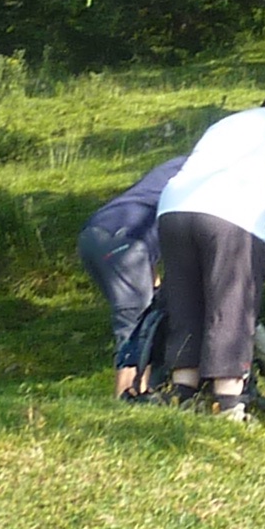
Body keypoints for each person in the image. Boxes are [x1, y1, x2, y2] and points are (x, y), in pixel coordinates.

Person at [151, 90, 265, 418]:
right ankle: (228, 402)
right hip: (231, 216)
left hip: (173, 210)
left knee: (186, 303)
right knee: (233, 305)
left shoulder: (229, 123)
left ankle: (182, 394)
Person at [79, 155, 185, 401]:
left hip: (94, 234)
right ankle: (127, 399)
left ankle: (144, 391)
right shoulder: (209, 174)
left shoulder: (179, 164)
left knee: (147, 313)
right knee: (136, 325)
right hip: (125, 241)